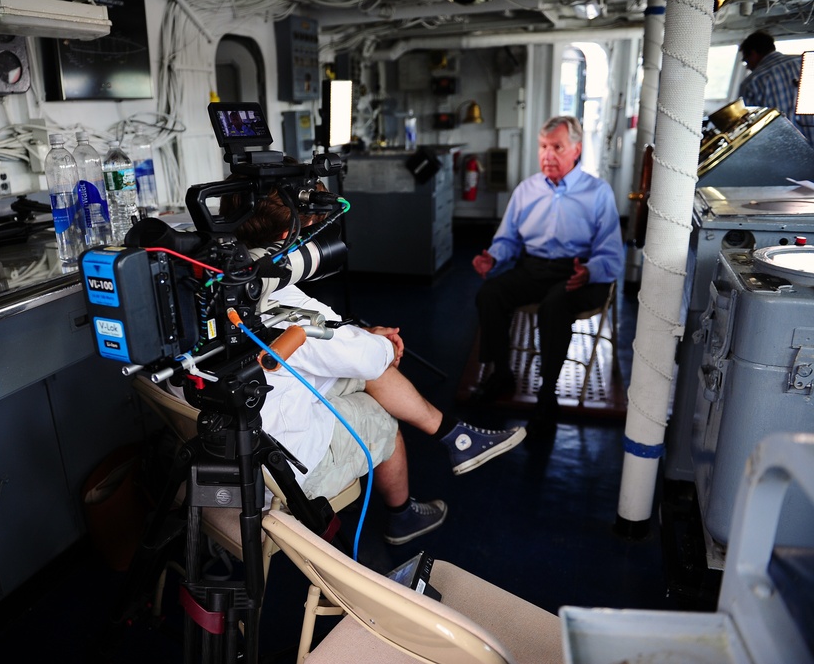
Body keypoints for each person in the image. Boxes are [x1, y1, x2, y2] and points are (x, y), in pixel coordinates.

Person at [220, 181, 526, 546]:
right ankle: (403, 517)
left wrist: (362, 337)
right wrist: (378, 342)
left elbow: (335, 341)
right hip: (283, 472)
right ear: (288, 237)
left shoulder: (218, 283)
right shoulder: (277, 304)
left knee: (367, 367)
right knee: (380, 414)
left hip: (240, 433)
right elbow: (362, 357)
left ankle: (454, 436)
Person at [471, 115, 623, 440]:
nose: (547, 155)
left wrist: (589, 271)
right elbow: (508, 240)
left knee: (554, 306)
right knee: (491, 293)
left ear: (576, 150)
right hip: (534, 268)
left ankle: (547, 393)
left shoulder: (598, 193)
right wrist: (493, 258)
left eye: (557, 147)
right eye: (543, 146)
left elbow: (611, 255)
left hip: (578, 274)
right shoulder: (527, 190)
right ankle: (501, 373)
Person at [738, 30, 814, 145]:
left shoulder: (752, 82)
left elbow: (752, 127)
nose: (748, 66)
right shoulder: (805, 61)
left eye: (746, 60)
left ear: (753, 53)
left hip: (789, 151)